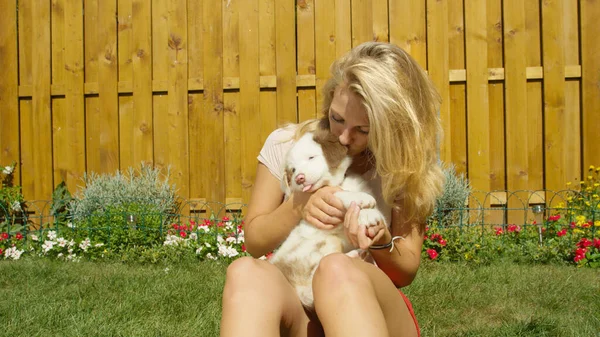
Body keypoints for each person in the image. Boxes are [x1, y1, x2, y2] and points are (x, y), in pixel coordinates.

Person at [220, 42, 444, 337]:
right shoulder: (290, 145)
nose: (344, 136)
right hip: (300, 308)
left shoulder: (401, 167)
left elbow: (406, 272)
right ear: (331, 98)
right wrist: (300, 204)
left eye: (363, 130)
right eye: (338, 118)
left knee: (335, 269)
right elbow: (255, 241)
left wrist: (380, 241)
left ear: (393, 127)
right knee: (245, 272)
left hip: (367, 308)